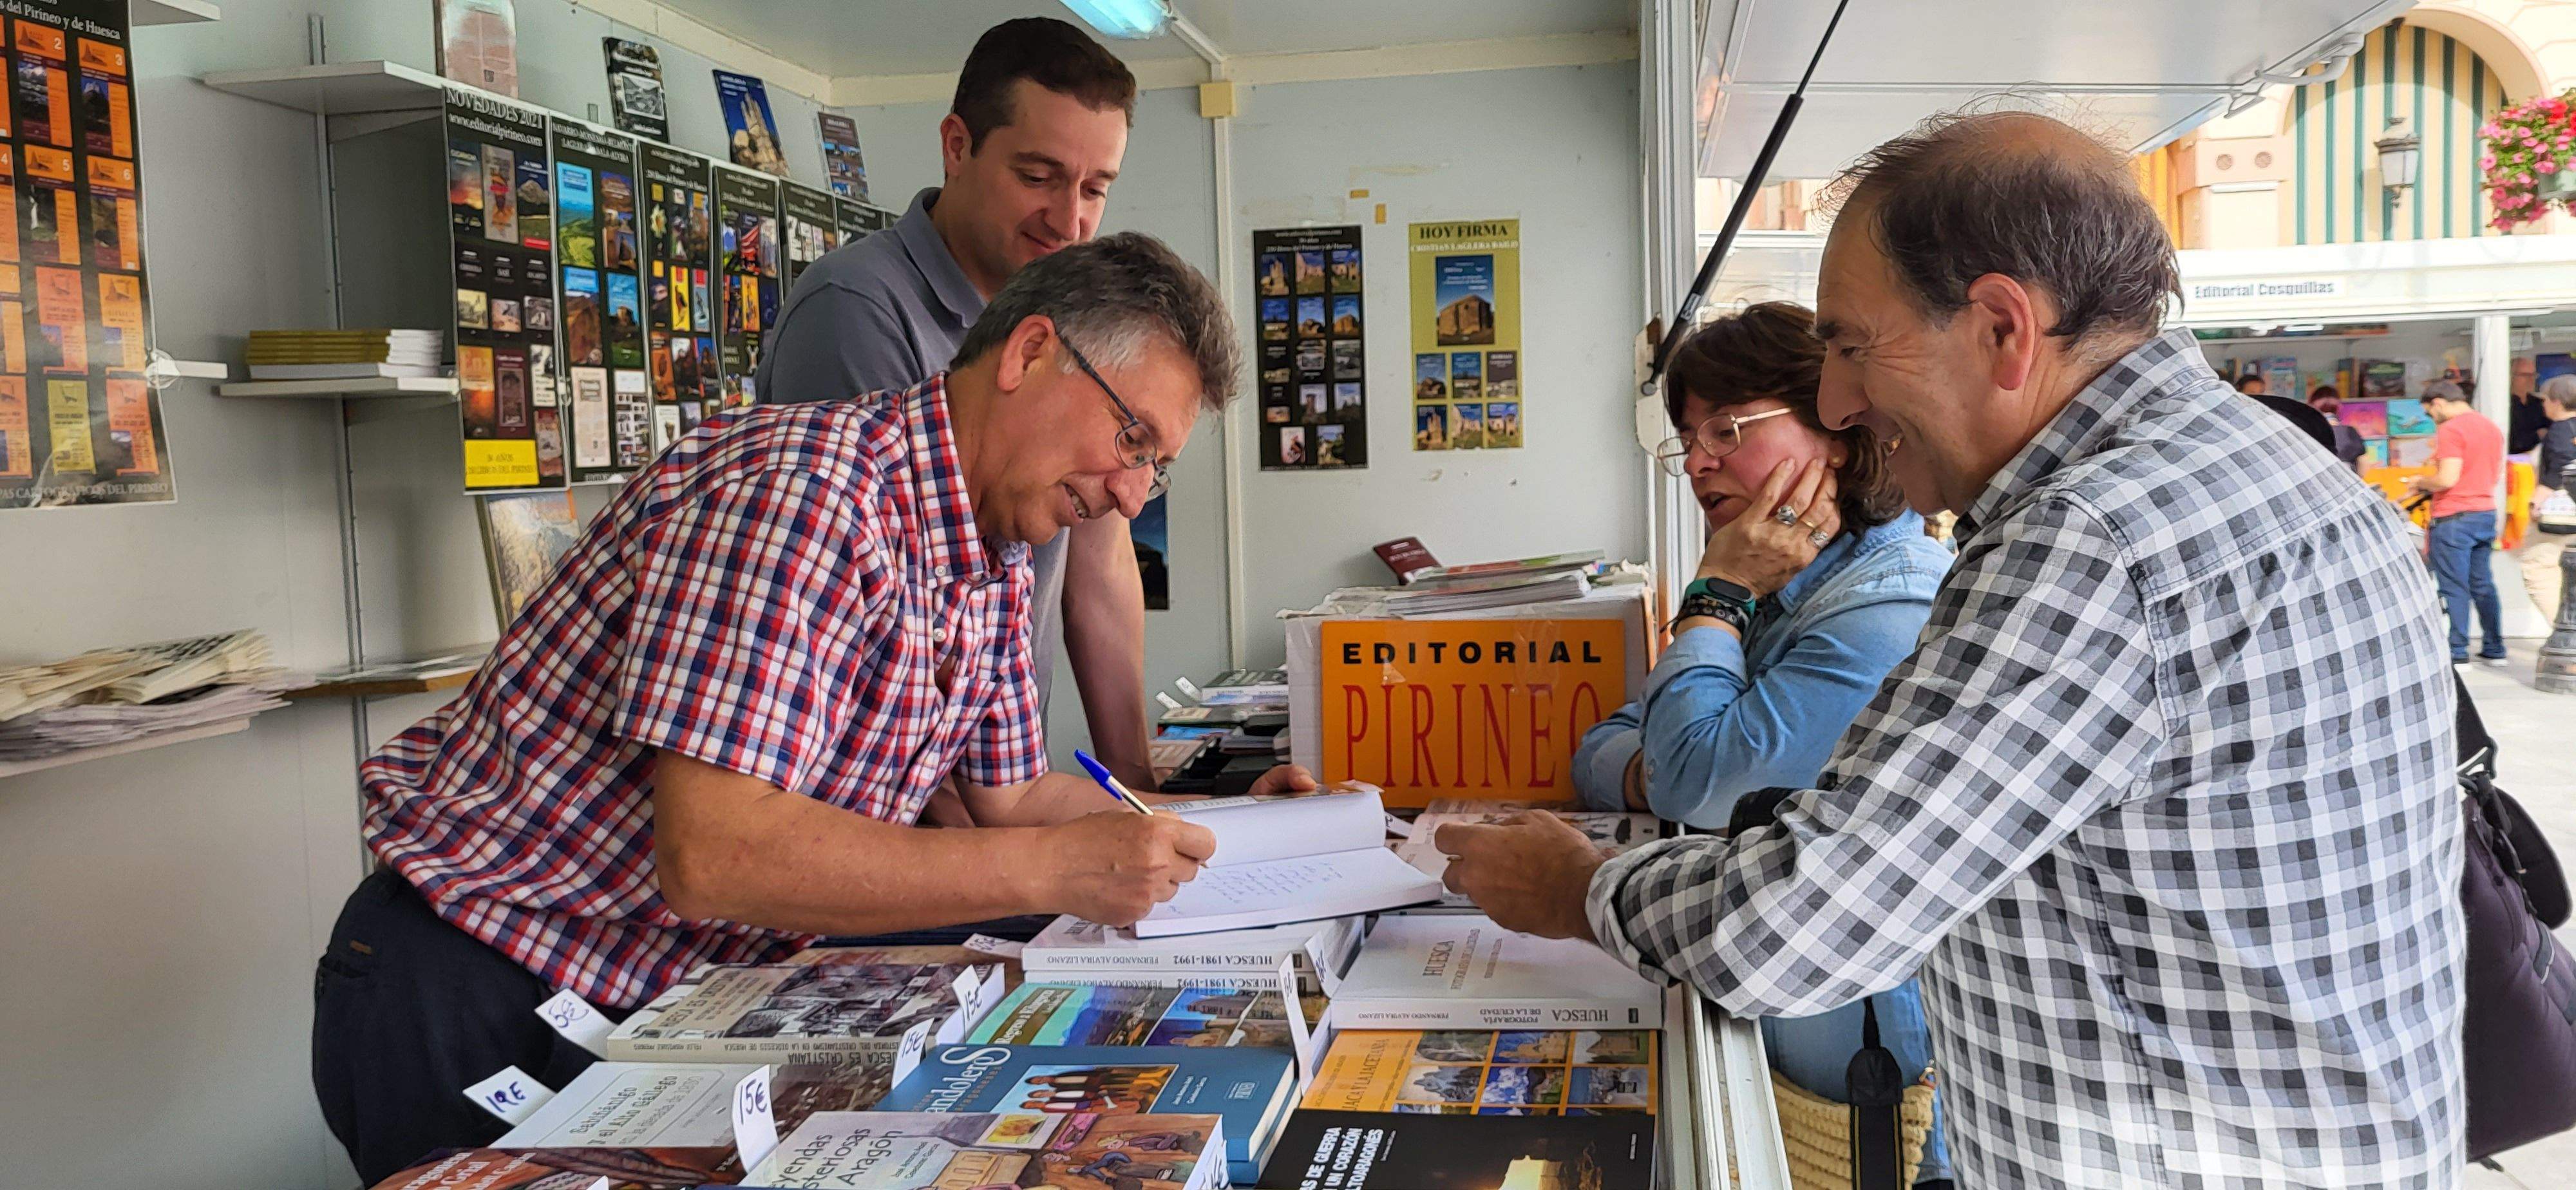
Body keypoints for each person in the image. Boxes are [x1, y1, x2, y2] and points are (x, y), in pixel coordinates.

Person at [1436, 111, 2463, 1187]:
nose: (1838, 400)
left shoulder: (2095, 539)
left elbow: (1801, 920)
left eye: (1847, 346)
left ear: (2003, 329)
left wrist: (1580, 886)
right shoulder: (2257, 464)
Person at [312, 234, 1314, 1184]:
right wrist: (1064, 868)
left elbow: (1012, 800)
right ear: (1032, 352)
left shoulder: (996, 552)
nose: (1133, 494)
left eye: (1158, 463)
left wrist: (1227, 831)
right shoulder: (805, 494)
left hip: (672, 993)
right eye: (1130, 438)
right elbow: (718, 856)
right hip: (488, 977)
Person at [1578, 301, 1955, 1185]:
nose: (1699, 460)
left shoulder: (1886, 605)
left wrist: (1715, 593)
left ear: (1837, 428)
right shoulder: (1789, 584)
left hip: (1861, 1076)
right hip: (1772, 1016)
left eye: (1726, 426)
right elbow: (1610, 745)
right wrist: (1656, 765)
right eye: (1687, 437)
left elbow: (1699, 783)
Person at [757, 18, 1162, 792]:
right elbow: (887, 632)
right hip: (875, 804)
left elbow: (1100, 567)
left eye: (1095, 189)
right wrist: (1003, 851)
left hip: (997, 782)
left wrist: (1137, 794)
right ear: (956, 145)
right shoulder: (856, 310)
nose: (1070, 219)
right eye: (1038, 176)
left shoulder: (1069, 310)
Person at [2412, 379, 2509, 666]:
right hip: (2485, 513)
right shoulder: (2490, 427)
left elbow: (2447, 479)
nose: (2431, 419)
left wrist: (2420, 482)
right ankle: (2495, 648)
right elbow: (2494, 475)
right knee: (2483, 584)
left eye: (2430, 413)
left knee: (2454, 586)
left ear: (2438, 403)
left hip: (2454, 517)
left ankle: (2457, 651)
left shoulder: (2451, 429)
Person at [2309, 384, 2368, 473]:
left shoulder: (2308, 433)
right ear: (2339, 408)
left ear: (2311, 407)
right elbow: (2364, 466)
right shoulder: (2350, 432)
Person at [2508, 354, 2544, 456]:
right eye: (2525, 375)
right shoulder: (2503, 405)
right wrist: (2537, 434)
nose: (2531, 379)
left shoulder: (2539, 403)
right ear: (2511, 376)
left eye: (2534, 375)